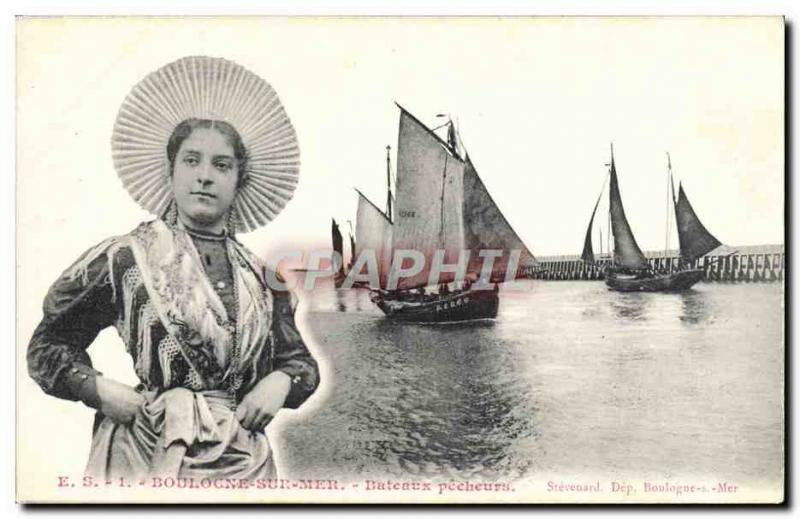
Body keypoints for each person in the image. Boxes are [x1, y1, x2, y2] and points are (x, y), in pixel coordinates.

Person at [26, 56, 319, 481]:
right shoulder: (126, 258)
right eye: (191, 161)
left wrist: (280, 383)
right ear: (171, 170)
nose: (205, 176)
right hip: (148, 447)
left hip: (244, 459)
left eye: (221, 165)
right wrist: (97, 389)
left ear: (240, 180)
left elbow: (300, 363)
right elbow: (49, 344)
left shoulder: (262, 277)